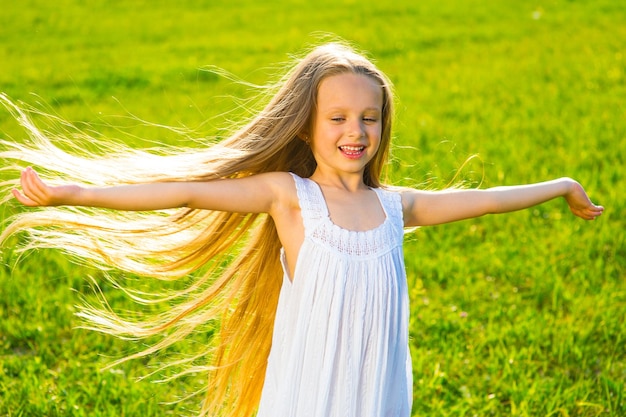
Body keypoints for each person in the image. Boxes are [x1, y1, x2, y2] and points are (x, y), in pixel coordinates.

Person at [1, 42, 603, 417]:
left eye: (370, 118)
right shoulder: (291, 200)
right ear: (305, 128)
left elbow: (483, 199)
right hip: (308, 397)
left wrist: (560, 187)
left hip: (376, 398)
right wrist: (72, 191)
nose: (356, 131)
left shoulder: (395, 207)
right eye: (337, 117)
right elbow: (186, 190)